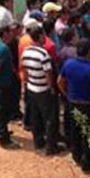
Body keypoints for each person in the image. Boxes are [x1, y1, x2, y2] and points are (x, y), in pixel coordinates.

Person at [59, 39, 90, 171]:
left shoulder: (68, 64)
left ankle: (77, 156)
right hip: (89, 106)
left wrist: (67, 94)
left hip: (73, 104)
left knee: (76, 131)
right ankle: (88, 162)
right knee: (89, 135)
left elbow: (59, 81)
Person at [21, 23, 58, 154]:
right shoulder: (44, 54)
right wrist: (52, 88)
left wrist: (26, 84)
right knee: (49, 119)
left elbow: (25, 71)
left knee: (36, 117)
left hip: (32, 87)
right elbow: (48, 74)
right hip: (43, 90)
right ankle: (51, 146)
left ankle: (38, 142)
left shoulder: (26, 52)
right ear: (40, 36)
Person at [0, 25, 21, 149]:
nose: (11, 34)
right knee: (3, 109)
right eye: (9, 32)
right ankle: (4, 138)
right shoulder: (4, 49)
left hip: (0, 82)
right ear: (5, 34)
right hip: (4, 83)